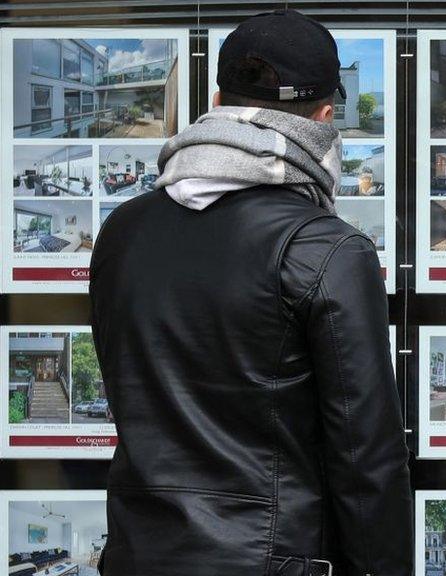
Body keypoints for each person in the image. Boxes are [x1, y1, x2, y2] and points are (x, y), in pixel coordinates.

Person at [89, 10, 412, 576]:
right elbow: (365, 460)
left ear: (217, 99)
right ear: (326, 116)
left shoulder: (123, 231)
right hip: (274, 559)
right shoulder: (327, 249)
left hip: (137, 554)